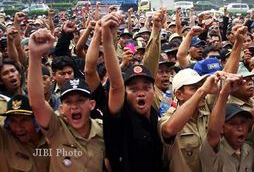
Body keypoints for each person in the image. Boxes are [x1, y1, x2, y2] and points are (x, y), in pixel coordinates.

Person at [27, 28, 105, 172]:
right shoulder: (56, 128)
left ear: (92, 104)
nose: (74, 106)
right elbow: (37, 103)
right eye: (68, 102)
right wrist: (35, 56)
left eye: (80, 100)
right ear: (61, 107)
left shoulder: (102, 130)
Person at [101, 12, 163, 172]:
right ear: (125, 94)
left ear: (153, 91)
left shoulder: (158, 116)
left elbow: (151, 67)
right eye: (133, 89)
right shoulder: (120, 117)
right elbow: (116, 85)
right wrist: (107, 39)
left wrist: (156, 30)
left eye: (146, 88)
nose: (141, 93)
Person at [200, 73, 254, 172]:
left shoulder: (249, 150)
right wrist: (224, 93)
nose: (240, 128)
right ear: (222, 128)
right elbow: (213, 132)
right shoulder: (214, 150)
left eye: (243, 122)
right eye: (233, 123)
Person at [0, 94, 49, 172]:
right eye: (13, 121)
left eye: (24, 120)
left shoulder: (52, 139)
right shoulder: (5, 140)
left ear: (36, 120)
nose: (18, 127)